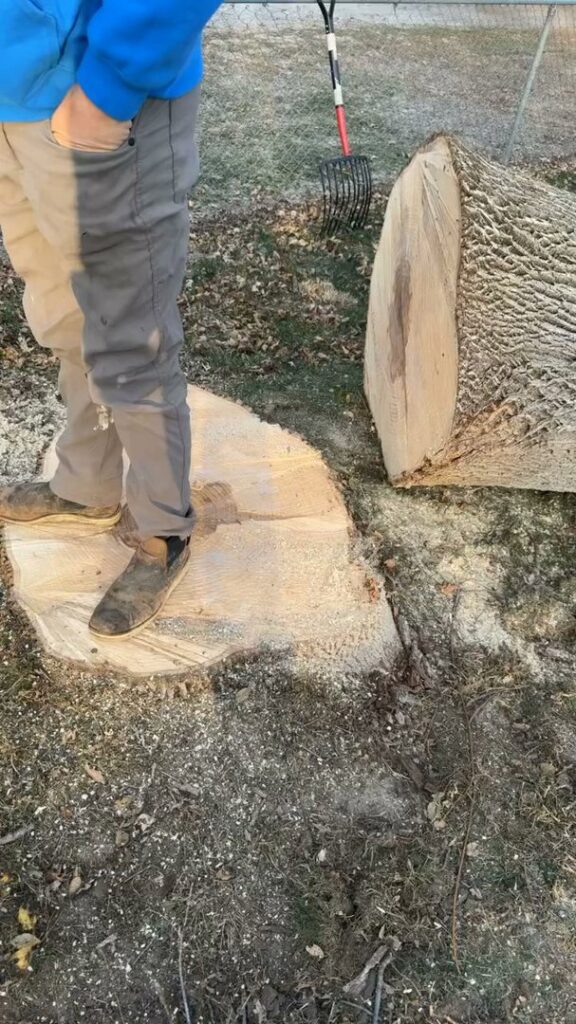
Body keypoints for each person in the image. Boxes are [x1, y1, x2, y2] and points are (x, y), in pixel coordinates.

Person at [0, 0, 221, 639]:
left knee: (131, 338)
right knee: (60, 312)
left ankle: (162, 529)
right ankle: (86, 483)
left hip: (93, 94)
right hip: (13, 102)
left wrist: (111, 84)